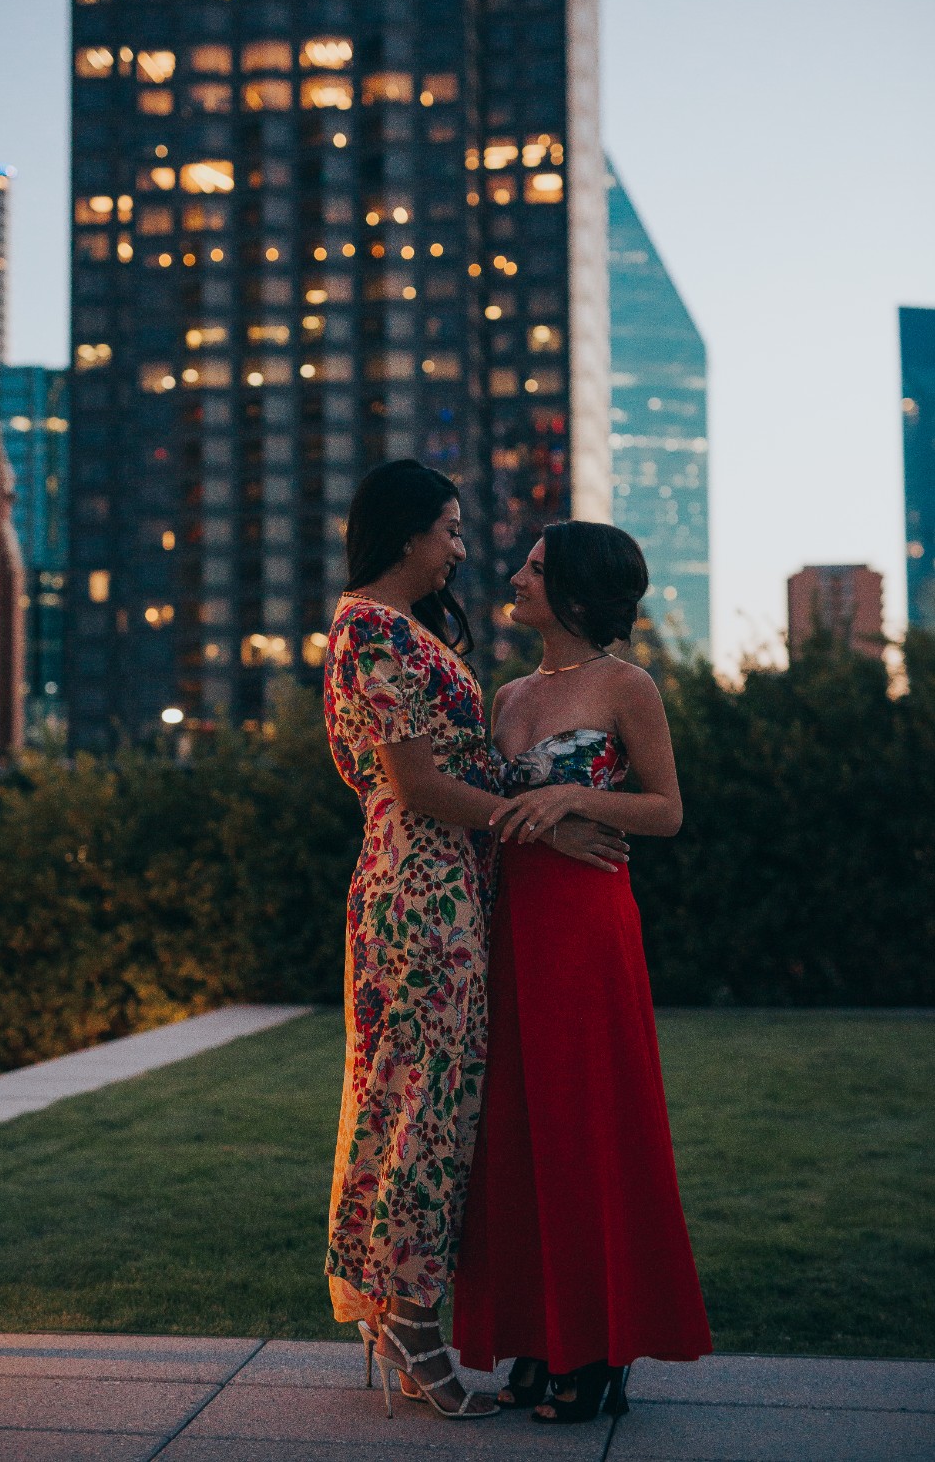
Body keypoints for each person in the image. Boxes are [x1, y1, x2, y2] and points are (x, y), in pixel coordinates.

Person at [323, 464, 629, 1421]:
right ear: (407, 534)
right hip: (424, 892)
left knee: (412, 1097)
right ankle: (411, 1320)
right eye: (449, 530)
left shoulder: (391, 632)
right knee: (429, 1105)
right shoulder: (374, 633)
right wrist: (547, 823)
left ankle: (398, 1313)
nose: (461, 549)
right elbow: (421, 787)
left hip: (438, 887)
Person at [452, 519, 713, 1423]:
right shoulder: (506, 693)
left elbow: (668, 810)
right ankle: (535, 1334)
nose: (515, 575)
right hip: (508, 922)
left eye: (533, 566)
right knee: (516, 1127)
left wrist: (571, 794)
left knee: (585, 1122)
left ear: (572, 591)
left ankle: (598, 1347)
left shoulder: (627, 685)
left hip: (588, 925)